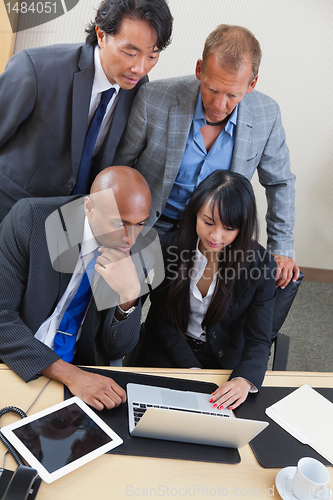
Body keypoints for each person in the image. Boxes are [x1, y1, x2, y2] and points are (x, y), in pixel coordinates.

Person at [114, 24, 299, 289]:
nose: (219, 105)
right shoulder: (154, 99)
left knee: (194, 319)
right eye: (212, 88)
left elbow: (280, 182)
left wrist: (282, 248)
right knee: (121, 303)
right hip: (153, 226)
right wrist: (114, 230)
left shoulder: (266, 115)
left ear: (252, 84)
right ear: (200, 69)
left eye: (232, 95)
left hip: (215, 238)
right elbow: (121, 168)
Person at [0, 166, 162, 411]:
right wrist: (71, 375)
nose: (130, 238)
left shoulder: (138, 251)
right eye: (120, 223)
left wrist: (129, 297)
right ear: (89, 207)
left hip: (85, 373)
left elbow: (117, 349)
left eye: (140, 223)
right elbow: (2, 318)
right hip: (17, 360)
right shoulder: (31, 220)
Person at [0, 0, 173, 221]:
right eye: (130, 53)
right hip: (10, 211)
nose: (139, 68)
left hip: (69, 227)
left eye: (152, 56)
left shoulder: (138, 87)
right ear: (101, 35)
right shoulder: (36, 70)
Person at [142, 170, 277, 410]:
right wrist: (192, 370)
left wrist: (244, 379)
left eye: (228, 228)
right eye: (208, 222)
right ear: (196, 212)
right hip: (170, 350)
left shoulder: (260, 263)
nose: (215, 236)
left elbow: (259, 339)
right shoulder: (169, 246)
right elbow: (162, 319)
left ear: (243, 228)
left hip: (224, 361)